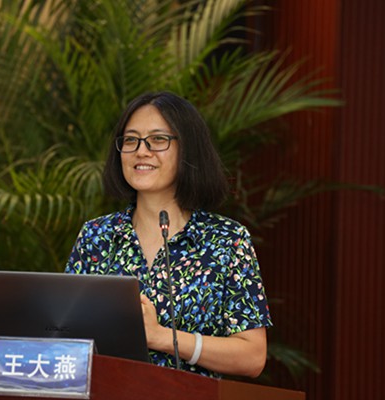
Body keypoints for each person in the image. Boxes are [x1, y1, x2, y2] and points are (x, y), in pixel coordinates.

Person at [65, 91, 272, 378]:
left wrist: (162, 337)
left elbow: (252, 356)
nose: (141, 151)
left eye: (158, 139)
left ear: (188, 149)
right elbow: (66, 335)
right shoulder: (96, 236)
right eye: (131, 140)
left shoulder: (227, 240)